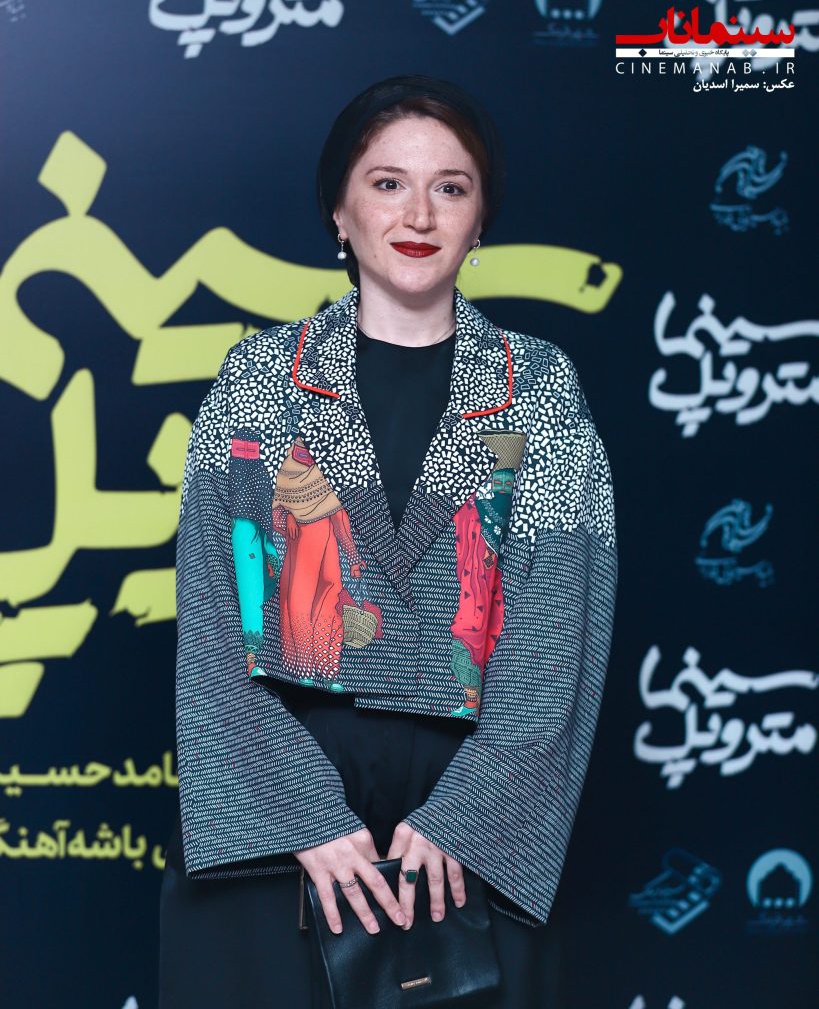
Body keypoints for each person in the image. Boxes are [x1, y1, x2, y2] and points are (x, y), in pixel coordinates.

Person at [158, 74, 617, 1008]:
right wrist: (299, 814)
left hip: (462, 832)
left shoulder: (538, 388)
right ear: (339, 210)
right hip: (276, 811)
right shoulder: (258, 379)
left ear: (480, 220)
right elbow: (210, 618)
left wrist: (468, 819)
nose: (418, 214)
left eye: (450, 187)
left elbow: (558, 630)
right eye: (386, 183)